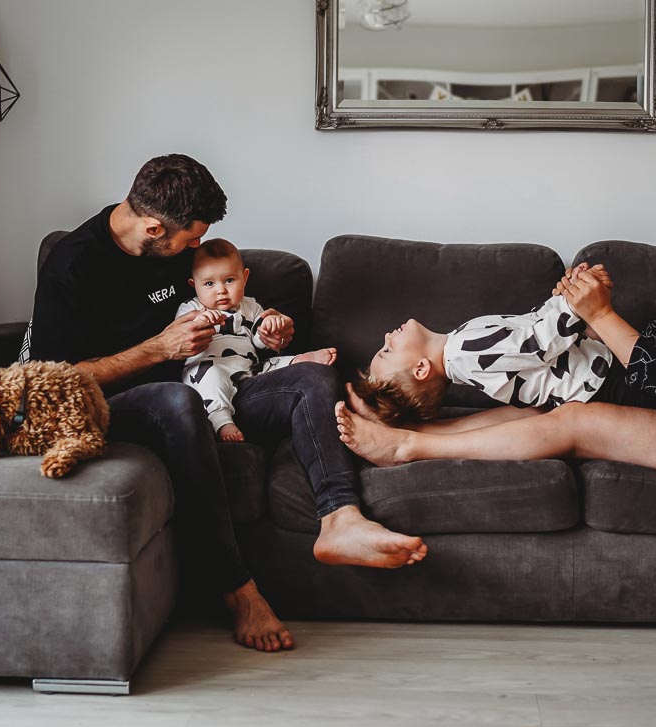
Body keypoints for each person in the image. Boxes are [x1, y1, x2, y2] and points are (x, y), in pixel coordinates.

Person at [28, 154, 426, 653]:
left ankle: (340, 520)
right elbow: (50, 380)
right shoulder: (73, 265)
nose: (194, 249)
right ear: (153, 228)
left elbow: (235, 307)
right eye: (188, 239)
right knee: (178, 402)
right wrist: (158, 349)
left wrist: (270, 328)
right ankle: (240, 593)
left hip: (220, 384)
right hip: (125, 402)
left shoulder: (176, 254)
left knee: (311, 374)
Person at [336, 163, 656, 531]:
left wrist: (598, 314)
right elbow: (653, 348)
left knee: (573, 420)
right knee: (541, 415)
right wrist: (590, 319)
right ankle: (420, 430)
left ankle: (409, 445)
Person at [350, 264, 656, 530]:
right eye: (388, 349)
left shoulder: (463, 346)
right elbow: (538, 340)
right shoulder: (465, 351)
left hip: (592, 373)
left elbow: (528, 333)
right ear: (421, 369)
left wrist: (566, 297)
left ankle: (412, 436)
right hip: (603, 380)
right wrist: (578, 303)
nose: (387, 336)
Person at [178, 238, 336, 443]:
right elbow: (183, 337)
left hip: (249, 369)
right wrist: (200, 322)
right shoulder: (191, 309)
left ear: (244, 278)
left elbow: (261, 344)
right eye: (209, 283)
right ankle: (222, 420)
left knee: (273, 364)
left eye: (229, 280)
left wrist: (268, 329)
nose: (221, 290)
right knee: (211, 380)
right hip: (208, 366)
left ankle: (299, 361)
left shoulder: (251, 307)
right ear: (194, 285)